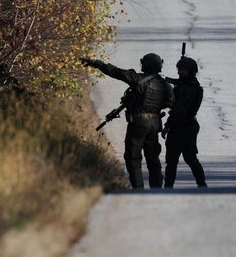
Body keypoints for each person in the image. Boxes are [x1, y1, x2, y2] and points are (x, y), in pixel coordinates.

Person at [81, 53, 174, 188]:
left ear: (145, 65)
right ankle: (157, 189)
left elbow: (115, 72)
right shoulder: (166, 85)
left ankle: (138, 190)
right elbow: (170, 103)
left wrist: (96, 63)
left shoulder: (137, 78)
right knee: (153, 158)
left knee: (133, 157)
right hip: (154, 124)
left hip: (138, 123)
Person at [162, 56, 207, 188]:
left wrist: (167, 126)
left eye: (182, 70)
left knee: (172, 160)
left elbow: (179, 111)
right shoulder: (192, 85)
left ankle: (168, 187)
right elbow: (180, 83)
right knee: (191, 158)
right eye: (179, 69)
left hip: (181, 126)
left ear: (190, 71)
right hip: (189, 126)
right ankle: (202, 184)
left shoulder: (187, 88)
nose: (179, 72)